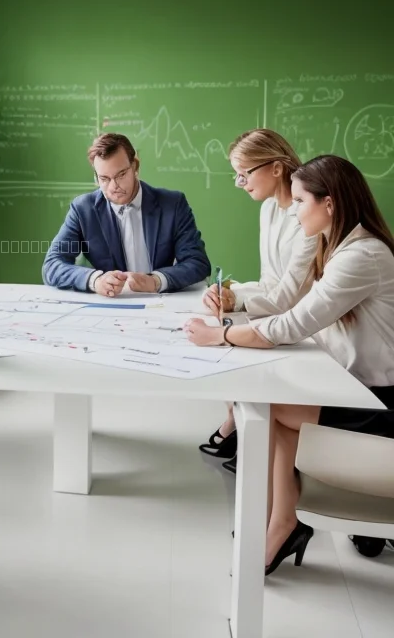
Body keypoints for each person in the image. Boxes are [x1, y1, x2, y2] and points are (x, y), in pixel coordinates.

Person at [184, 155, 394, 574]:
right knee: (273, 404)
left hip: (378, 403)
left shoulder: (361, 256)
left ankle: (282, 520)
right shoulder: (340, 247)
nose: (293, 211)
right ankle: (283, 519)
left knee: (269, 407)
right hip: (353, 387)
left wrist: (221, 335)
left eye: (299, 201)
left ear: (329, 204)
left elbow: (294, 323)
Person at [198, 129, 317, 474]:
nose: (239, 183)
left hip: (305, 327)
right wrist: (231, 297)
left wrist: (237, 304)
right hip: (279, 314)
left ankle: (248, 434)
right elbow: (270, 283)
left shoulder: (305, 215)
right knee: (220, 331)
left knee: (227, 338)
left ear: (276, 168)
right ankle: (240, 425)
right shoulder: (268, 209)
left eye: (244, 173)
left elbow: (290, 295)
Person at [42, 132, 210, 296]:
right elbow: (52, 265)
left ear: (135, 166)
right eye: (104, 179)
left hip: (160, 302)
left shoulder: (173, 204)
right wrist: (95, 280)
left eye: (121, 175)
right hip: (112, 306)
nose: (114, 186)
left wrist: (156, 281)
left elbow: (197, 262)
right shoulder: (82, 210)